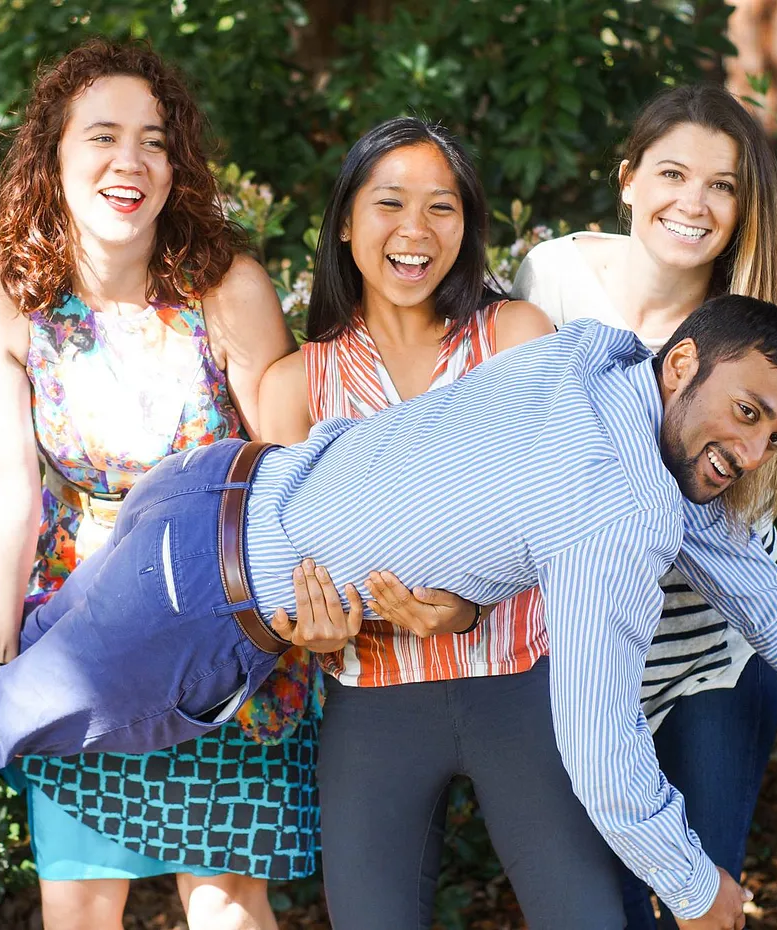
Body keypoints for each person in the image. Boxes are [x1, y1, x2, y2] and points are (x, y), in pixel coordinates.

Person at [0, 295, 777, 930]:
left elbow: (700, 514)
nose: (747, 450)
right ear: (680, 368)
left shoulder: (593, 356)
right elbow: (602, 757)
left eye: (773, 433)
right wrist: (698, 890)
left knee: (22, 652)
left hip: (209, 489)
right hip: (203, 609)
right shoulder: (612, 517)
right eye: (742, 411)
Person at [0, 39, 307, 930]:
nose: (131, 162)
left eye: (154, 140)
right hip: (78, 644)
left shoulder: (227, 289)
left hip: (217, 642)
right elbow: (5, 483)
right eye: (102, 136)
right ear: (55, 155)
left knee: (227, 908)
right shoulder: (1, 293)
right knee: (77, 907)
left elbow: (287, 474)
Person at [256, 116, 623, 927]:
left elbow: (572, 515)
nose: (415, 231)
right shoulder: (295, 386)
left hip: (520, 686)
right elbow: (278, 570)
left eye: (442, 207)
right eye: (389, 203)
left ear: (469, 226)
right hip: (372, 703)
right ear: (346, 224)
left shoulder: (516, 340)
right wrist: (307, 629)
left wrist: (476, 602)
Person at [512, 83, 777, 929]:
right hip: (578, 657)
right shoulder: (553, 277)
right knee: (601, 910)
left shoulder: (750, 328)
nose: (694, 202)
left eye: (721, 185)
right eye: (674, 173)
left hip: (709, 654)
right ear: (628, 180)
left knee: (697, 901)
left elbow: (726, 530)